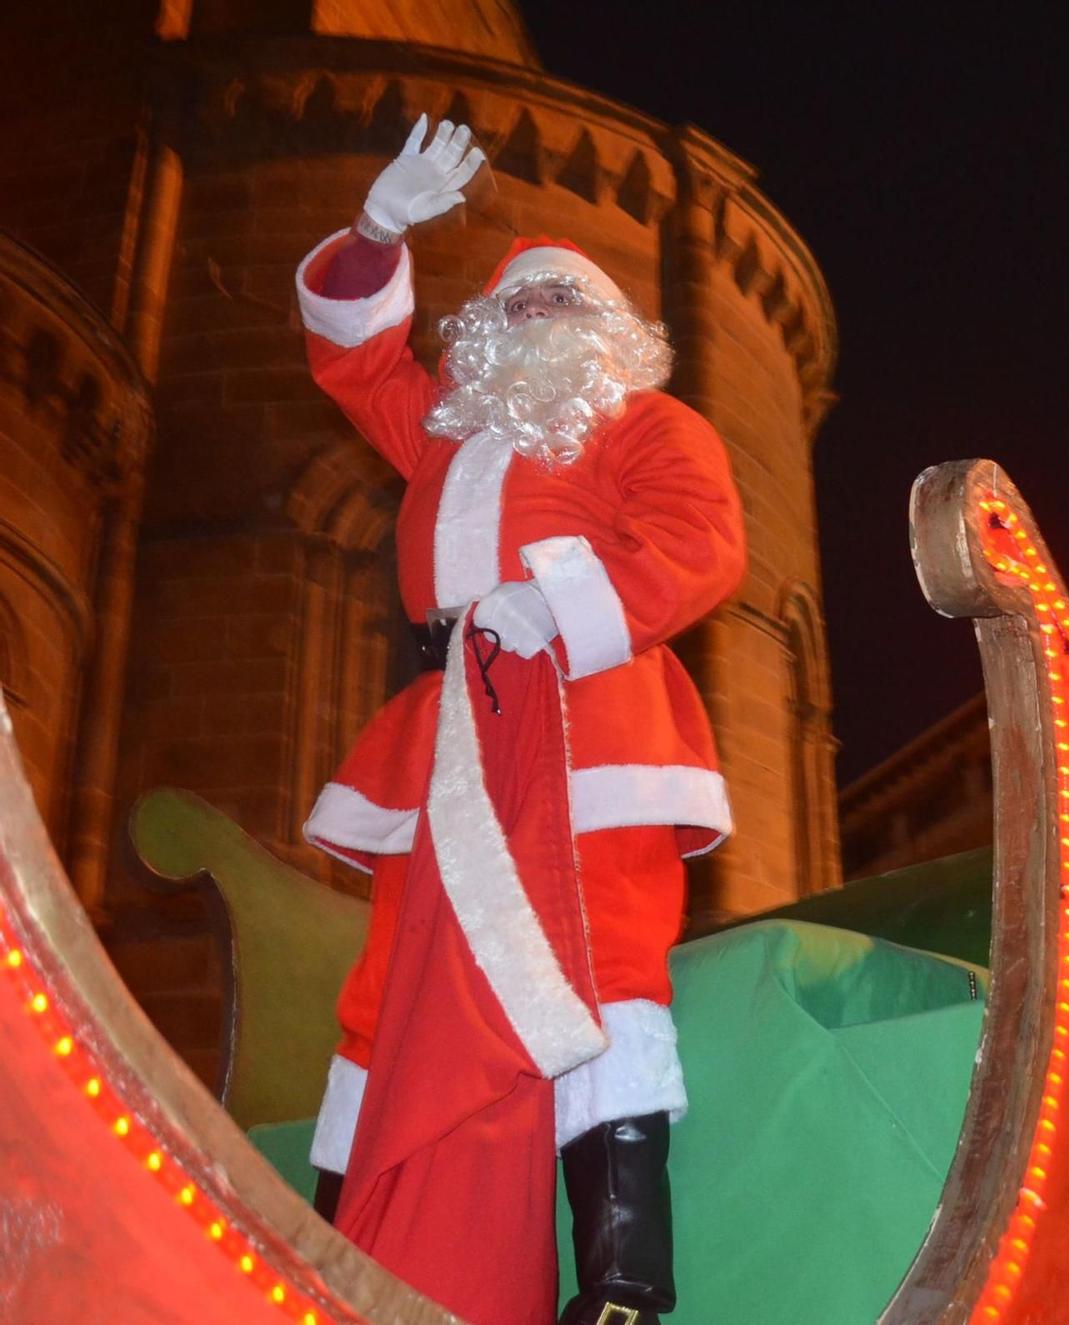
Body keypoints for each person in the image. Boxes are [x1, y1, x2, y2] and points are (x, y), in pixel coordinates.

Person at [293, 117, 745, 1325]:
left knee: (602, 980)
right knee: (392, 986)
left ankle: (623, 1287)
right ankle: (355, 1248)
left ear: (611, 337)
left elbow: (701, 548)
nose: (540, 314)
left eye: (566, 301)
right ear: (483, 333)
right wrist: (378, 229)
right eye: (518, 301)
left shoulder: (648, 427)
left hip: (589, 726)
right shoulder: (443, 430)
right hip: (449, 742)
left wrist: (555, 609)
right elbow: (356, 361)